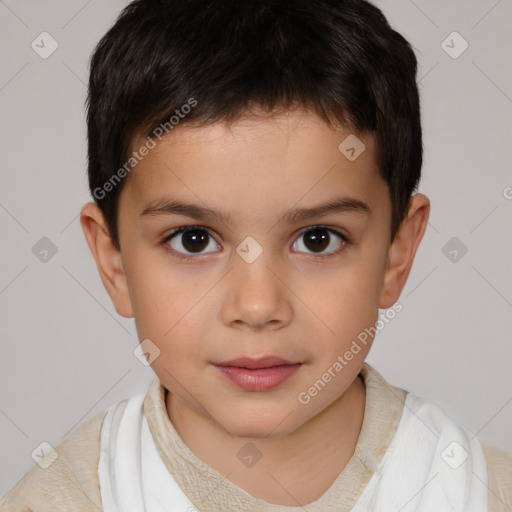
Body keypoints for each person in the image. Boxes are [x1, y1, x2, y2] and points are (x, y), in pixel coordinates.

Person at [2, 0, 510, 510]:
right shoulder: (61, 500)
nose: (258, 306)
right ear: (114, 262)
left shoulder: (479, 492)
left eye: (318, 239)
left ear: (397, 254)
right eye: (193, 240)